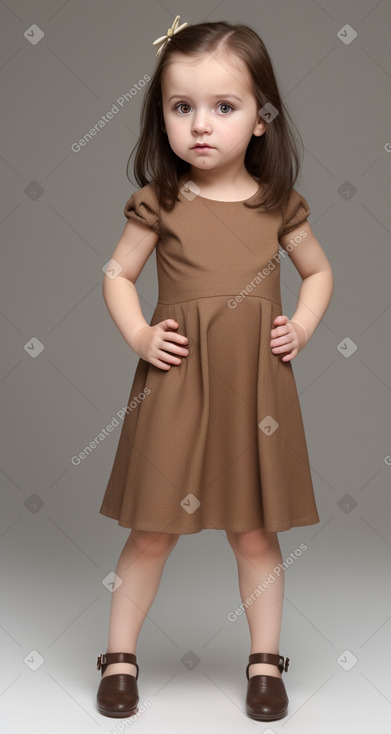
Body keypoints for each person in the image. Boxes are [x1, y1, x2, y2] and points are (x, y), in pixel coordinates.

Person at [95, 15, 334, 722]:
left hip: (255, 388)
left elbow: (318, 272)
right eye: (181, 107)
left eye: (223, 107)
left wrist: (304, 324)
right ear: (161, 116)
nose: (200, 125)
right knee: (151, 530)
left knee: (256, 531)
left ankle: (264, 662)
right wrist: (139, 334)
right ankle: (119, 656)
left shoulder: (277, 206)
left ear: (260, 119)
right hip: (176, 384)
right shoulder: (160, 201)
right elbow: (115, 272)